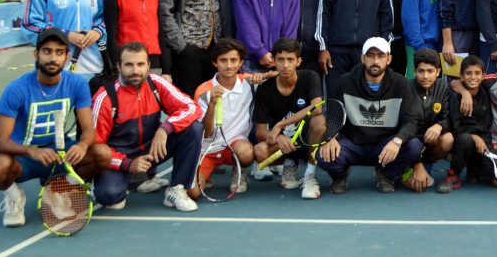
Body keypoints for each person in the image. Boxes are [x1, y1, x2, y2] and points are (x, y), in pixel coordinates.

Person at [0, 28, 110, 228]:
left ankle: (57, 191)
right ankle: (14, 195)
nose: (53, 58)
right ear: (36, 54)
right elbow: (0, 141)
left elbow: (89, 130)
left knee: (102, 153)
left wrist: (82, 145)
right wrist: (31, 151)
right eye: (47, 51)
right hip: (23, 157)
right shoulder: (16, 89)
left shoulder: (76, 84)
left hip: (58, 152)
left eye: (59, 52)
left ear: (66, 56)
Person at [92, 42, 204, 211]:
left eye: (140, 64)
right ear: (119, 66)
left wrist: (165, 128)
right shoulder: (105, 97)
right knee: (109, 197)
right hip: (121, 157)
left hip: (152, 150)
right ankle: (130, 180)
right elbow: (95, 146)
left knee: (194, 129)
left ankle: (176, 189)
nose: (135, 70)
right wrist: (127, 164)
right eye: (129, 65)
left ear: (149, 66)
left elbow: (191, 107)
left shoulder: (156, 83)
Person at [314, 37, 424, 194]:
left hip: (384, 145)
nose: (375, 61)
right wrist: (330, 137)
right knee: (323, 154)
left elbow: (411, 121)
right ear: (362, 58)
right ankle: (340, 175)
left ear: (389, 59)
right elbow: (333, 116)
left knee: (414, 146)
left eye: (380, 56)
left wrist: (397, 141)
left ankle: (384, 174)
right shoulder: (344, 82)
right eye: (370, 55)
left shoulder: (401, 84)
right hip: (353, 144)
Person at [250, 39, 325, 199]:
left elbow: (317, 108)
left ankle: (310, 175)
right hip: (284, 145)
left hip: (310, 142)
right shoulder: (265, 89)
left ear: (298, 61)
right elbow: (260, 132)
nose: (285, 65)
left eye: (290, 60)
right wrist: (279, 137)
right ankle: (290, 163)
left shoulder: (310, 76)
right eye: (280, 60)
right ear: (274, 61)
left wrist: (281, 125)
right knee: (260, 151)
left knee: (318, 122)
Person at [190, 39, 258, 199]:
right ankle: (205, 175)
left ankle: (239, 171)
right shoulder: (203, 91)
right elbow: (206, 133)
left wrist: (264, 75)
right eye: (223, 60)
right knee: (192, 193)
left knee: (247, 153)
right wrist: (212, 104)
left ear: (241, 62)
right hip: (207, 150)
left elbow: (279, 75)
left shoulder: (249, 83)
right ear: (215, 63)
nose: (229, 66)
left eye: (234, 60)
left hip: (235, 146)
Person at [438, 56, 496, 193]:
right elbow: (456, 127)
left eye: (477, 73)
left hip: (485, 140)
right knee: (465, 139)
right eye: (468, 73)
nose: (473, 77)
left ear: (483, 76)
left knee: (496, 179)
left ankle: (473, 168)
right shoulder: (454, 96)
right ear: (461, 76)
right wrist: (475, 137)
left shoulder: (487, 88)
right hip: (464, 138)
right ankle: (453, 175)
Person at [401, 49, 453, 193]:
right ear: (414, 71)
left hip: (430, 141)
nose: (425, 76)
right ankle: (410, 166)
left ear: (438, 71)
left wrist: (439, 126)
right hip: (410, 143)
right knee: (419, 185)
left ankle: (426, 164)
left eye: (430, 71)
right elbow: (402, 126)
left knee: (448, 139)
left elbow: (449, 119)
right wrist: (416, 163)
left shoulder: (443, 86)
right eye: (421, 71)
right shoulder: (405, 88)